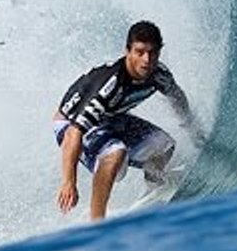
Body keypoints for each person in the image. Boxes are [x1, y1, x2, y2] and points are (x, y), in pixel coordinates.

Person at [53, 20, 206, 221]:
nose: (146, 60)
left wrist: (191, 126)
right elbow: (74, 133)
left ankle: (154, 191)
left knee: (163, 145)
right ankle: (97, 221)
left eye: (152, 53)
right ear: (127, 51)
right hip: (69, 125)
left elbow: (177, 98)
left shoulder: (159, 75)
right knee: (115, 154)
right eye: (139, 52)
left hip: (110, 118)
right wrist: (68, 182)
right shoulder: (111, 85)